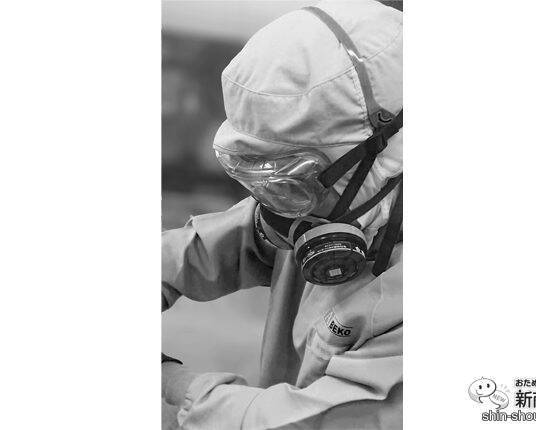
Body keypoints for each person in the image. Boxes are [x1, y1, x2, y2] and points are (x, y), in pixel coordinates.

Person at [162, 1, 403, 428]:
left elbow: (316, 421)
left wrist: (170, 383)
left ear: (386, 149)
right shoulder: (342, 205)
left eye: (294, 178)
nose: (277, 205)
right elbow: (229, 241)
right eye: (258, 175)